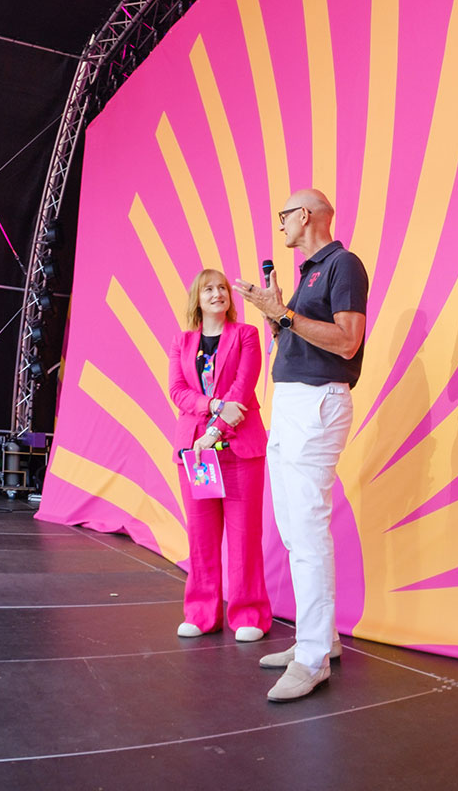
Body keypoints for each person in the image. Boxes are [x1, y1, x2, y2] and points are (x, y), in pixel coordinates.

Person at [235, 189, 367, 702]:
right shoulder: (311, 271)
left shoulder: (343, 265)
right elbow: (295, 338)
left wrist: (284, 315)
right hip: (291, 403)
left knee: (308, 529)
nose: (281, 225)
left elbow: (347, 340)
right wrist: (275, 314)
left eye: (284, 215)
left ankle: (312, 659)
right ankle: (322, 639)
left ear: (307, 216)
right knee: (293, 527)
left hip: (317, 404)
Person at [168, 268, 272, 643]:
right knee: (201, 536)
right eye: (209, 289)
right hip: (196, 452)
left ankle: (249, 615)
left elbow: (243, 388)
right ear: (197, 298)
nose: (217, 294)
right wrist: (211, 404)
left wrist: (217, 424)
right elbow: (177, 391)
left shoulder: (246, 335)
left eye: (223, 289)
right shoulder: (182, 342)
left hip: (239, 449)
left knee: (244, 537)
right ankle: (200, 613)